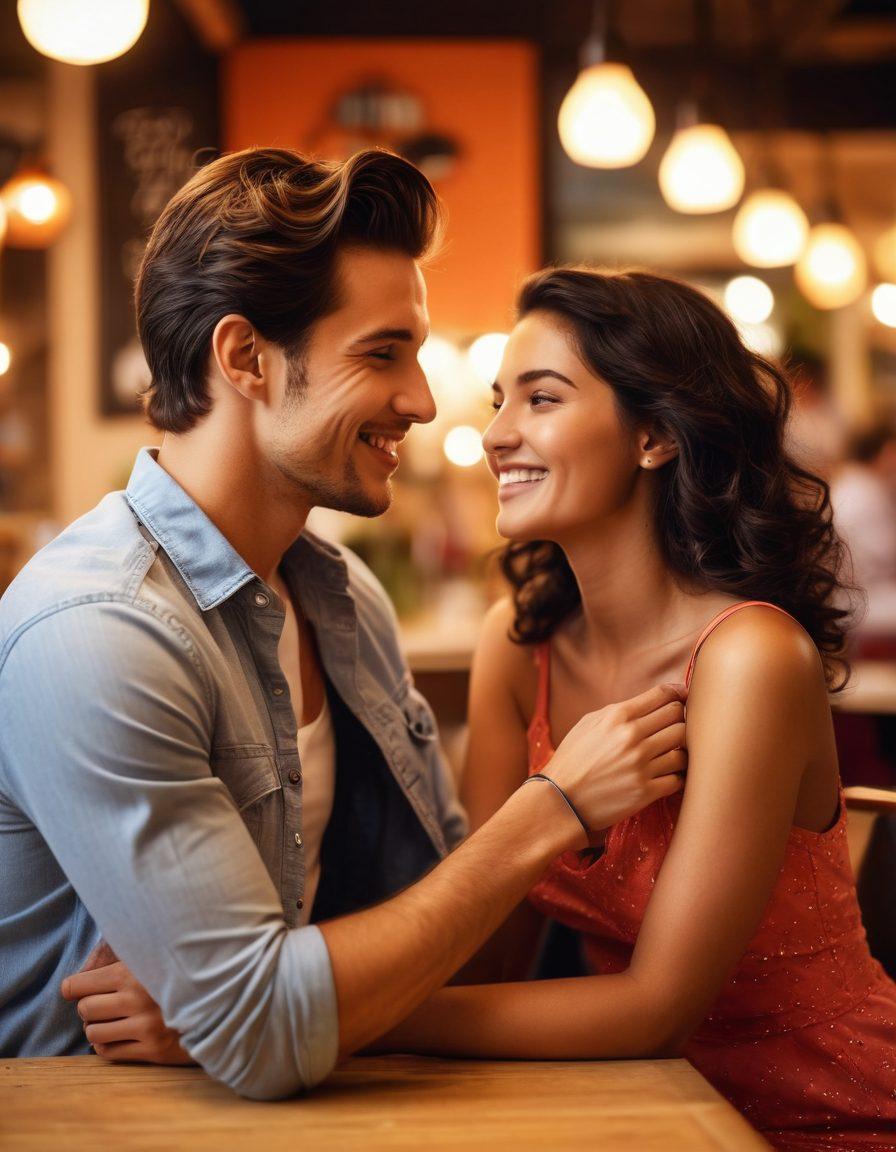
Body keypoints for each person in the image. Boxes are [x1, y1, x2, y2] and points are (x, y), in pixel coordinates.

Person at [0, 151, 687, 1097]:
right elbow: (261, 1028)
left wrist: (249, 999)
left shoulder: (342, 599)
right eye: (380, 353)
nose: (423, 399)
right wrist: (550, 809)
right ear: (244, 358)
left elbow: (441, 940)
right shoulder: (100, 628)